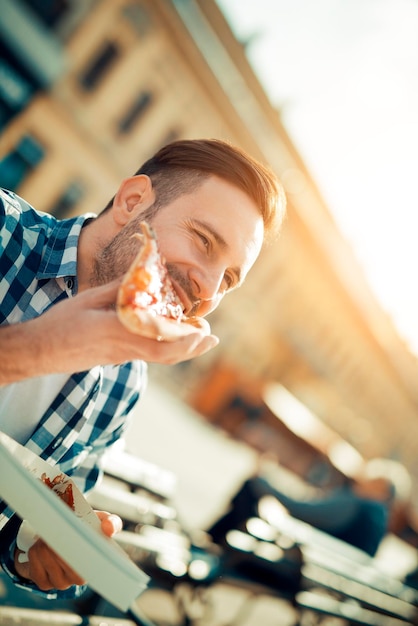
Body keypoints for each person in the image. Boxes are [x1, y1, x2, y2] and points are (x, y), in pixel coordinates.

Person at [0, 138, 286, 599]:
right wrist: (40, 349)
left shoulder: (126, 380)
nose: (208, 290)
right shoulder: (5, 232)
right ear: (132, 202)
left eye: (228, 279)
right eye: (204, 240)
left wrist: (34, 555)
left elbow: (21, 527)